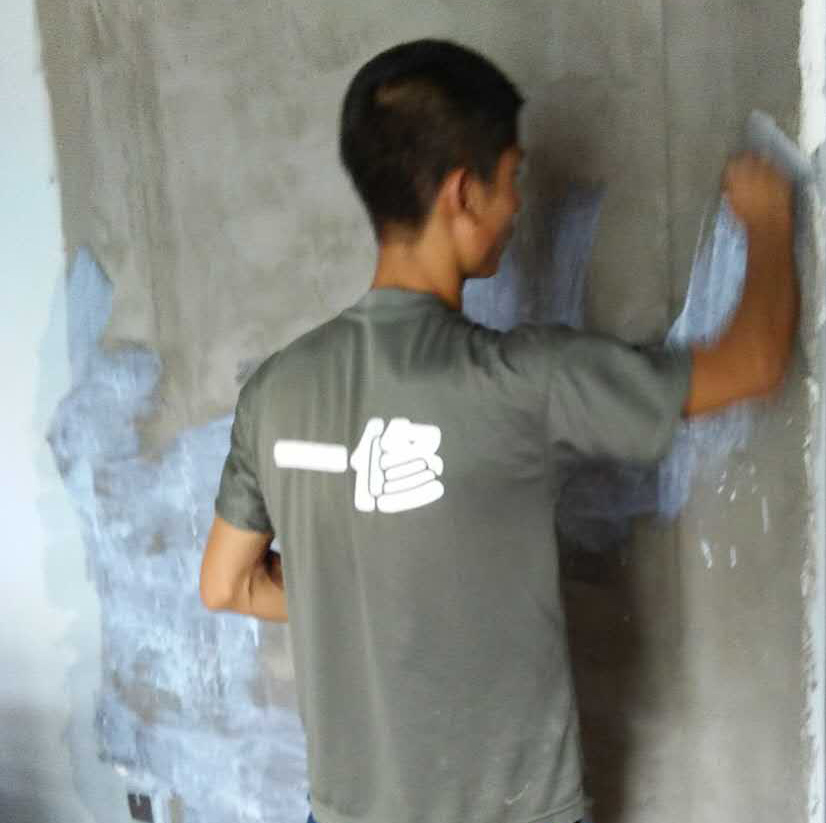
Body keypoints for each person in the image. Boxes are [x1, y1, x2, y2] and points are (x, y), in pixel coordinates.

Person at [199, 38, 796, 823]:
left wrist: (360, 598)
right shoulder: (524, 381)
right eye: (512, 178)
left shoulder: (275, 393)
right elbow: (753, 362)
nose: (517, 205)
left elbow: (227, 583)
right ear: (462, 192)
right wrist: (769, 222)